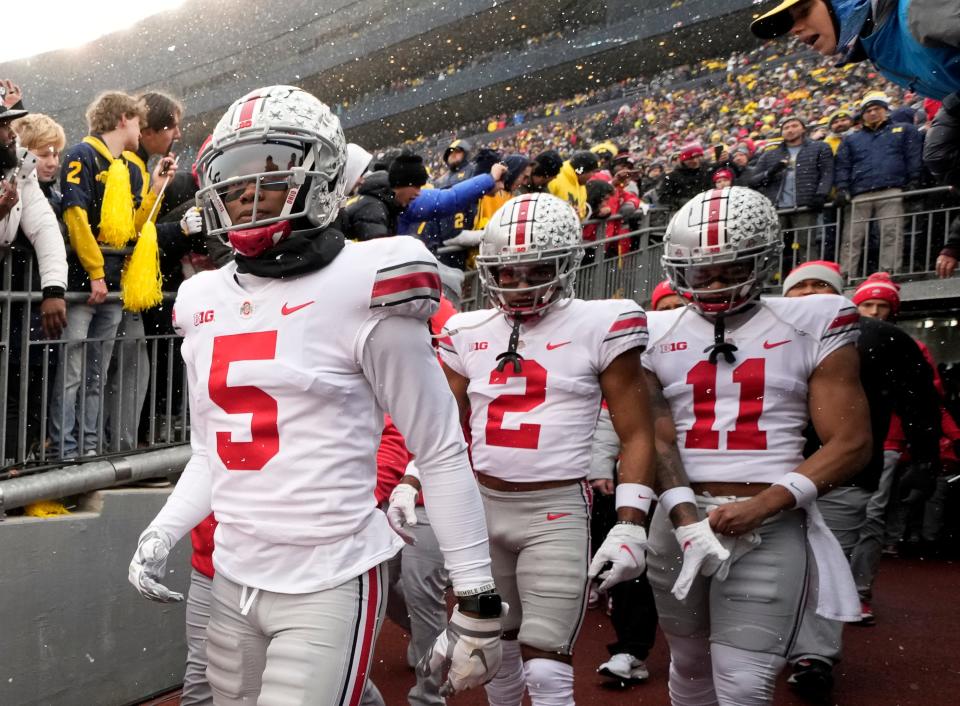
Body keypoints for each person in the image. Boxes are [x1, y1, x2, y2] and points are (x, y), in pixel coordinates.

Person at [127, 85, 504, 704]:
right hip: (231, 575)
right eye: (234, 178)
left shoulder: (366, 281)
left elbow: (437, 448)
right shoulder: (203, 299)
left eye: (269, 172)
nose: (247, 193)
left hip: (329, 575)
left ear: (321, 177)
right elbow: (210, 455)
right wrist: (162, 532)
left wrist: (478, 592)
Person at [642, 186, 872, 706]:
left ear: (764, 259)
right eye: (701, 271)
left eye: (730, 268)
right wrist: (682, 517)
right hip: (678, 517)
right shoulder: (653, 330)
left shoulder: (814, 319)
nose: (715, 282)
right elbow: (655, 439)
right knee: (689, 664)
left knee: (744, 680)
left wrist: (764, 505)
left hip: (771, 519)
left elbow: (852, 442)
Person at [438, 192, 658, 705]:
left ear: (564, 264)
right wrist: (410, 478)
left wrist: (630, 522)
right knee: (495, 655)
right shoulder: (466, 330)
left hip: (554, 507)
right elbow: (443, 428)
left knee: (546, 662)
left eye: (532, 270)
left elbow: (637, 432)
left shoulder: (601, 322)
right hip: (481, 507)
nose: (516, 285)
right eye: (506, 272)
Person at [780, 261, 942, 701]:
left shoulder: (884, 337)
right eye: (801, 286)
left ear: (839, 294)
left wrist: (926, 461)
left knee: (827, 561)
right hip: (769, 471)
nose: (810, 293)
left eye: (821, 285)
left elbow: (921, 402)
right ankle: (770, 644)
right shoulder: (760, 332)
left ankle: (814, 656)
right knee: (775, 564)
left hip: (845, 474)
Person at [50, 91, 173, 459]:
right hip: (83, 285)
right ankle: (63, 451)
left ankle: (88, 450)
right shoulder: (79, 154)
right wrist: (96, 271)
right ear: (122, 119)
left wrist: (155, 189)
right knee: (72, 374)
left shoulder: (133, 169)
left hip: (113, 286)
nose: (140, 130)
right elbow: (75, 217)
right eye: (137, 122)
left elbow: (135, 228)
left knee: (95, 376)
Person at [749, 0, 960, 180]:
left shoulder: (917, 9)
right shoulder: (880, 45)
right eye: (790, 23)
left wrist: (953, 109)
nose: (795, 29)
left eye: (804, 12)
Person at [834, 92, 922, 277]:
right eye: (868, 110)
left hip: (891, 188)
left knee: (891, 233)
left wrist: (914, 179)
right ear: (863, 115)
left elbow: (913, 157)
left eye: (877, 109)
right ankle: (846, 274)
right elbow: (843, 165)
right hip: (860, 192)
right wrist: (842, 187)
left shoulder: (903, 130)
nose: (872, 113)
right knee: (852, 237)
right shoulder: (852, 139)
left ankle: (887, 273)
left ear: (886, 110)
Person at [0, 107, 68, 339]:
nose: (11, 134)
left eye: (10, 125)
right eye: (3, 126)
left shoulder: (20, 167)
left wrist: (54, 289)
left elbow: (44, 226)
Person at [746, 117, 834, 261]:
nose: (790, 130)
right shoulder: (770, 155)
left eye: (794, 126)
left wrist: (821, 194)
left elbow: (827, 173)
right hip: (778, 209)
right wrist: (771, 172)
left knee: (807, 244)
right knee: (773, 247)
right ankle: (772, 279)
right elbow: (752, 181)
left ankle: (809, 276)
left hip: (805, 205)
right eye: (786, 127)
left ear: (803, 129)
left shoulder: (819, 148)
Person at [341, 152, 429, 240]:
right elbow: (380, 249)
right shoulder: (373, 209)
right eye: (417, 187)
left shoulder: (383, 204)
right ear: (402, 184)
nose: (419, 193)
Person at [657, 143, 712, 210]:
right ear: (684, 160)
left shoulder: (708, 170)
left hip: (708, 208)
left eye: (697, 157)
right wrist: (681, 201)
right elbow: (663, 197)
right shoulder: (672, 176)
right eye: (691, 159)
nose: (695, 161)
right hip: (685, 213)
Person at [548, 150, 598, 219]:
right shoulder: (555, 179)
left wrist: (578, 213)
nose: (593, 175)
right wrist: (565, 213)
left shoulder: (581, 185)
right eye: (593, 171)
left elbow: (582, 212)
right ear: (583, 171)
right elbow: (542, 208)